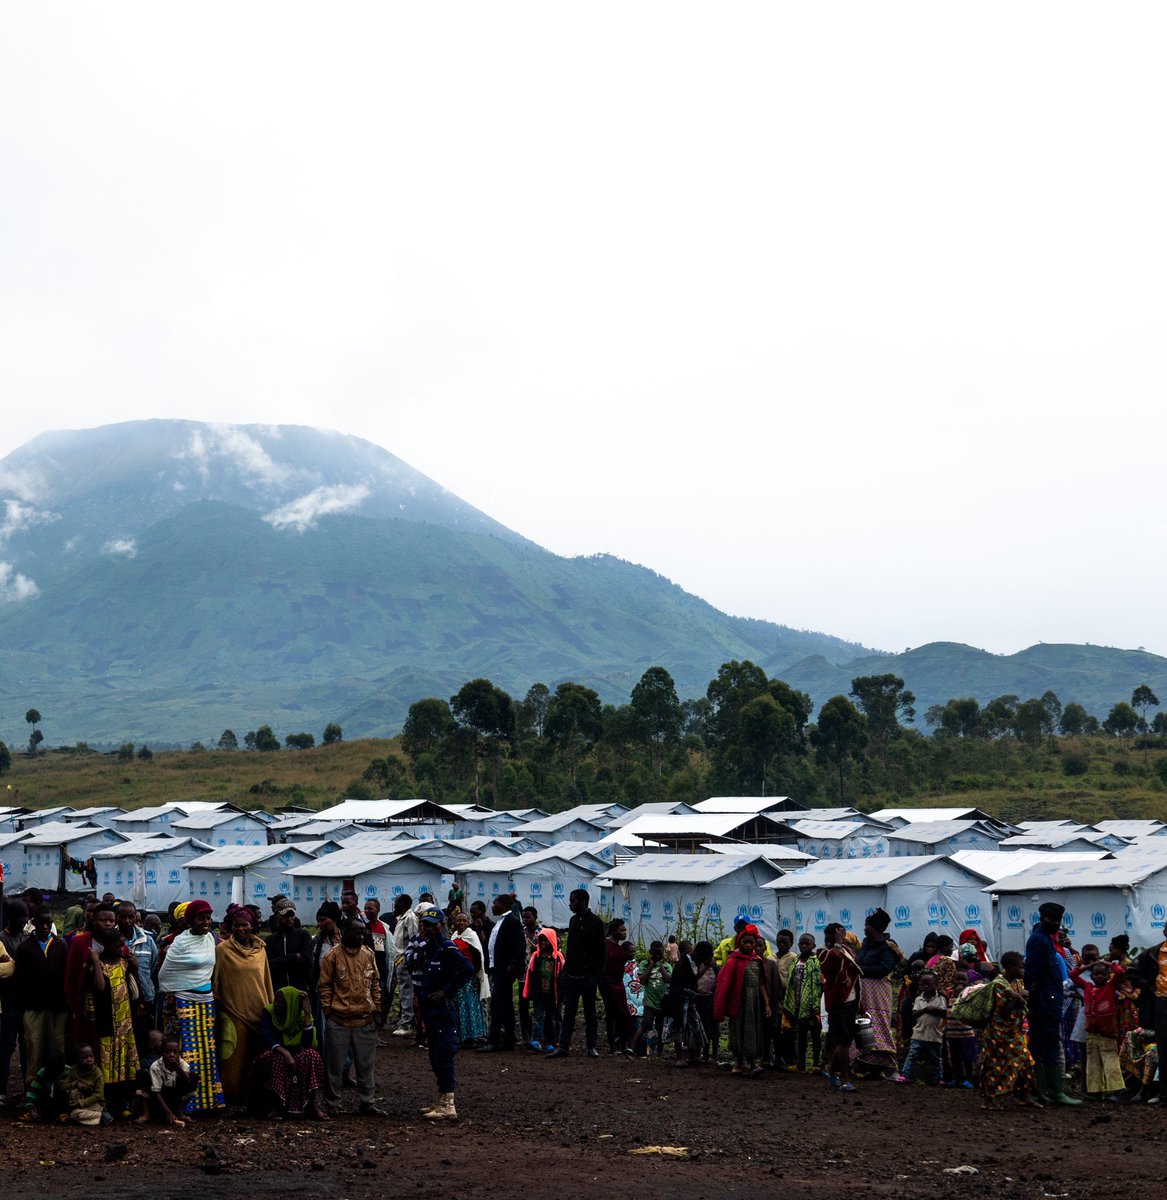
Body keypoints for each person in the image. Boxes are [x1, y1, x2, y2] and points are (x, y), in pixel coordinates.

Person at [156, 899, 226, 1115]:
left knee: (208, 1050)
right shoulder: (179, 943)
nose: (206, 922)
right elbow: (165, 974)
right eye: (201, 918)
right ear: (190, 921)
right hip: (184, 1001)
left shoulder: (211, 940)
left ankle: (210, 1102)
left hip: (207, 1001)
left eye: (208, 918)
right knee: (188, 1051)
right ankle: (187, 1104)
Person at [411, 905, 473, 1120]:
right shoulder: (430, 948)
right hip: (430, 1009)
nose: (428, 929)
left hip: (443, 1010)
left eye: (433, 925)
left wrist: (446, 992)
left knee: (444, 1053)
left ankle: (449, 1103)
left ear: (441, 925)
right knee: (435, 1054)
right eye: (425, 925)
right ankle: (441, 1099)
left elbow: (467, 970)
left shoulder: (447, 947)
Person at [318, 916, 383, 1116]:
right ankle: (333, 1104)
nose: (361, 936)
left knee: (366, 1066)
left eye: (363, 932)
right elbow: (325, 986)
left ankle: (367, 1103)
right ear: (345, 932)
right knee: (334, 1066)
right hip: (338, 1020)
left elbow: (374, 984)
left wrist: (377, 1010)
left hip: (366, 1018)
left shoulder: (368, 954)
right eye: (357, 932)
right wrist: (328, 1011)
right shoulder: (332, 956)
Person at [213, 907, 274, 1107]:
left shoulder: (261, 950)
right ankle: (231, 1100)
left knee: (258, 1059)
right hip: (233, 1012)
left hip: (259, 1011)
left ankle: (255, 1101)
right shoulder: (222, 950)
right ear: (230, 927)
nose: (240, 929)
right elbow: (216, 981)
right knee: (232, 1059)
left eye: (244, 925)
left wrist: (271, 1008)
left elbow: (266, 981)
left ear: (252, 926)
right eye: (236, 925)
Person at [1025, 901, 1082, 1106]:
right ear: (1042, 919)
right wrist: (1032, 1001)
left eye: (1058, 920)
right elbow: (1032, 973)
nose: (1056, 923)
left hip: (1048, 999)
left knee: (1041, 1046)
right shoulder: (1039, 940)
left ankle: (1043, 1091)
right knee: (1047, 1044)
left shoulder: (1045, 939)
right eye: (1052, 919)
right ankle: (1052, 1092)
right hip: (1043, 1002)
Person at [86, 913, 142, 1115]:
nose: (122, 949)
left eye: (123, 945)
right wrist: (94, 958)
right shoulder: (98, 964)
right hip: (107, 1022)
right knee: (108, 1062)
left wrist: (134, 965)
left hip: (125, 1022)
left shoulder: (124, 963)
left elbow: (134, 989)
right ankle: (108, 1103)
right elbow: (99, 987)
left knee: (125, 1064)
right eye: (118, 946)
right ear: (107, 946)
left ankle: (124, 1102)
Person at [14, 905, 68, 1091]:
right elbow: (19, 980)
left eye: (49, 922)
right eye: (41, 922)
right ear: (33, 923)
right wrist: (22, 1007)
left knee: (57, 1048)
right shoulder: (24, 948)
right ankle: (32, 1091)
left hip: (57, 1007)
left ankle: (59, 1090)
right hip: (33, 1007)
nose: (45, 926)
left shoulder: (61, 945)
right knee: (34, 1047)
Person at [253, 986, 328, 1120]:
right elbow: (266, 1037)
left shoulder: (299, 1015)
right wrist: (285, 1053)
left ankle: (310, 1106)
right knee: (273, 1059)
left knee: (311, 1056)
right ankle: (275, 1106)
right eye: (276, 1001)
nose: (277, 1005)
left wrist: (306, 1013)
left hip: (297, 1051)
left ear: (291, 1004)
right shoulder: (269, 1013)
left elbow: (307, 1042)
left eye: (282, 1002)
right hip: (277, 1051)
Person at [548, 889, 605, 1059]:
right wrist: (565, 973)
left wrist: (595, 976)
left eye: (573, 901)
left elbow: (601, 952)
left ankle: (591, 1046)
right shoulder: (573, 920)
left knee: (590, 1014)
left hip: (588, 976)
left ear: (582, 901)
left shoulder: (596, 922)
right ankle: (563, 1046)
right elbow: (570, 949)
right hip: (571, 976)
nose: (570, 904)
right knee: (569, 1013)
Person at [981, 950, 1041, 1111]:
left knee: (1026, 1061)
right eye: (1021, 967)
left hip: (1013, 1032)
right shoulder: (999, 985)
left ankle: (1024, 1096)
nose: (1023, 971)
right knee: (994, 1066)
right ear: (1009, 967)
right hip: (997, 1034)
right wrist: (1020, 997)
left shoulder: (1017, 983)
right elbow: (1003, 1010)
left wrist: (1019, 995)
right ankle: (989, 1100)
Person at [713, 923, 769, 1076]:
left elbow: (761, 984)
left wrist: (766, 1004)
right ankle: (741, 1064)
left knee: (752, 1030)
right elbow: (724, 984)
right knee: (738, 1030)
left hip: (754, 1002)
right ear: (739, 942)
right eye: (746, 942)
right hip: (738, 1002)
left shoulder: (757, 960)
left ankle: (749, 1063)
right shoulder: (733, 960)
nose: (749, 945)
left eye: (752, 943)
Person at [854, 908, 903, 1079]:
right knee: (864, 1026)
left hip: (878, 992)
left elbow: (885, 968)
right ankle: (872, 1067)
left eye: (867, 925)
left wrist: (861, 969)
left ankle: (890, 1067)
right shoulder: (866, 943)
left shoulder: (888, 946)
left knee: (879, 1025)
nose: (864, 927)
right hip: (864, 991)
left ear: (874, 927)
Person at [1070, 957, 1126, 1100]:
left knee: (1110, 1062)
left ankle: (1115, 1091)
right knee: (1093, 1063)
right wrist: (1088, 965)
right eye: (1096, 974)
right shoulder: (1087, 986)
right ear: (1091, 975)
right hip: (1091, 1032)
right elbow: (1072, 975)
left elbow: (1119, 972)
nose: (1099, 976)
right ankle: (1095, 1091)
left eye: (1103, 974)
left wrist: (1108, 964)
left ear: (1108, 976)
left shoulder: (1110, 986)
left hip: (1107, 1032)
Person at [480, 892, 525, 1052]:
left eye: (495, 903)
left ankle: (494, 1041)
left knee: (497, 1005)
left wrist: (513, 963)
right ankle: (509, 1040)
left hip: (504, 971)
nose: (492, 906)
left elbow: (520, 943)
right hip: (497, 968)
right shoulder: (501, 921)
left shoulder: (512, 921)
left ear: (503, 905)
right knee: (505, 1005)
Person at [820, 922, 860, 1091]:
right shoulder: (824, 953)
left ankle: (831, 1070)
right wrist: (837, 943)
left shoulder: (847, 951)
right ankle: (844, 1079)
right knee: (843, 1040)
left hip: (851, 1000)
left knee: (845, 1040)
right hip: (837, 1003)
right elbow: (831, 965)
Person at [116, 903, 157, 1055]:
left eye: (130, 917)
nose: (127, 920)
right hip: (118, 1000)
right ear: (116, 917)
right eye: (123, 917)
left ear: (136, 917)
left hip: (143, 1000)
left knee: (142, 1042)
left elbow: (152, 968)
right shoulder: (111, 939)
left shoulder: (147, 940)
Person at [0, 899, 28, 1106]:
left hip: (24, 1000)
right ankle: (2, 1089)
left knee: (27, 1046)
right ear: (10, 918)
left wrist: (12, 963)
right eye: (19, 918)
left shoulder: (26, 938)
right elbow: (6, 971)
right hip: (8, 999)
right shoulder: (2, 938)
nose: (23, 922)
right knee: (7, 1045)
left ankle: (28, 1089)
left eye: (25, 918)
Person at [896, 970, 946, 1084]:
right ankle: (905, 1075)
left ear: (936, 985)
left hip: (934, 1035)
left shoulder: (940, 998)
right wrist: (925, 1009)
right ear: (919, 985)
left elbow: (944, 1013)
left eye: (929, 984)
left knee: (936, 1059)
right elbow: (914, 1013)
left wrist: (935, 1010)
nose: (926, 986)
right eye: (923, 984)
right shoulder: (919, 999)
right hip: (918, 1033)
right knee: (912, 1055)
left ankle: (938, 1078)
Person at [782, 933, 822, 1072]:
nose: (804, 946)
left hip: (812, 1005)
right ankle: (801, 1064)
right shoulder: (796, 960)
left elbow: (817, 984)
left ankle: (816, 1064)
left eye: (807, 944)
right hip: (798, 1004)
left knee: (816, 1035)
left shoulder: (816, 961)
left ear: (813, 946)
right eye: (801, 944)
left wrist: (815, 1005)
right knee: (801, 1036)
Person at [449, 912, 488, 1046]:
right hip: (456, 976)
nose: (461, 923)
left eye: (464, 921)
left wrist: (472, 972)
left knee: (471, 1005)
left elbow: (478, 956)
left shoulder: (471, 936)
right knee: (459, 1006)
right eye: (458, 920)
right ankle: (463, 1036)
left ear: (468, 922)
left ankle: (475, 1034)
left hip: (469, 977)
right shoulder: (454, 937)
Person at [522, 928, 564, 1053]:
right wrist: (530, 992)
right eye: (542, 940)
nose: (544, 942)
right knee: (538, 1017)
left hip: (553, 994)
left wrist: (562, 993)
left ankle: (552, 1041)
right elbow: (531, 974)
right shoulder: (536, 957)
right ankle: (537, 1041)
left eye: (546, 940)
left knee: (552, 1018)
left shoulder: (558, 958)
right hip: (539, 993)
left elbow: (562, 975)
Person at [629, 941, 671, 1058]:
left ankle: (659, 1054)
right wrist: (651, 965)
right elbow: (642, 980)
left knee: (660, 1026)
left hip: (662, 1002)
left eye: (660, 954)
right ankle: (632, 1048)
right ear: (650, 953)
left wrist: (661, 966)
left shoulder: (667, 966)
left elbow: (668, 979)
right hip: (649, 1001)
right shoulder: (644, 964)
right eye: (655, 954)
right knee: (646, 1024)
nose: (657, 957)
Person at [599, 918, 634, 1054]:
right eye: (622, 930)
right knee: (612, 1013)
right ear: (614, 931)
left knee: (623, 1014)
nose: (625, 933)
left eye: (625, 930)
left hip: (619, 983)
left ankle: (624, 1045)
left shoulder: (621, 947)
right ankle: (612, 1047)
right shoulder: (605, 945)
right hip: (607, 982)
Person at [146, 1035, 197, 1126]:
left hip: (176, 1097)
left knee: (193, 1077)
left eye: (175, 1052)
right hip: (161, 1098)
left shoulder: (182, 1064)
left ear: (179, 1053)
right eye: (167, 1052)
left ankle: (179, 1112)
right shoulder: (156, 1066)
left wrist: (178, 1069)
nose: (172, 1055)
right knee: (144, 1076)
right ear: (162, 1052)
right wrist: (168, 1113)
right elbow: (156, 1092)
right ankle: (165, 1113)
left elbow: (189, 1082)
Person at [266, 903, 314, 992]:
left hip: (300, 990)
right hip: (278, 991)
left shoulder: (303, 936)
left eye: (291, 915)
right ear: (277, 915)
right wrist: (294, 957)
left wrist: (281, 961)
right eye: (285, 915)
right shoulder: (270, 940)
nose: (289, 919)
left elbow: (308, 962)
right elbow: (269, 965)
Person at [390, 894, 419, 1035]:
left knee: (407, 991)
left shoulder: (410, 918)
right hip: (399, 960)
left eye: (396, 902)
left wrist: (410, 960)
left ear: (403, 903)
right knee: (404, 992)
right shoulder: (401, 918)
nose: (394, 905)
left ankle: (407, 1024)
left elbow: (415, 940)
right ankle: (405, 1020)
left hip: (405, 960)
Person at [60, 1042, 107, 1125]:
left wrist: (81, 1103)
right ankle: (96, 1119)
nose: (89, 1059)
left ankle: (100, 1115)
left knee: (74, 1114)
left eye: (91, 1056)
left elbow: (99, 1095)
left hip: (95, 1104)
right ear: (76, 1059)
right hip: (80, 1102)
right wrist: (76, 1083)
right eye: (84, 1057)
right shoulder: (73, 1070)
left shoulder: (97, 1073)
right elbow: (63, 1087)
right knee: (73, 1091)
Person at [364, 899, 391, 1031]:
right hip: (367, 970)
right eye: (366, 908)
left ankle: (378, 1027)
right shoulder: (363, 926)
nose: (367, 911)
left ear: (378, 910)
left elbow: (388, 950)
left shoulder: (384, 927)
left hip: (381, 969)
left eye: (371, 908)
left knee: (381, 998)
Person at [518, 906, 541, 1045]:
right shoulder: (521, 932)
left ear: (535, 917)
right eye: (524, 917)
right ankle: (525, 1036)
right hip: (523, 976)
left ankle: (539, 1036)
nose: (525, 920)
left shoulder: (543, 932)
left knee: (539, 1006)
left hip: (539, 976)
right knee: (523, 1007)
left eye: (528, 917)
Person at [693, 940, 719, 1063]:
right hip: (699, 998)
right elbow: (695, 977)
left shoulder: (715, 968)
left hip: (711, 999)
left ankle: (713, 1054)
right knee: (700, 1026)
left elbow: (719, 983)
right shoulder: (698, 966)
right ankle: (701, 1053)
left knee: (712, 1027)